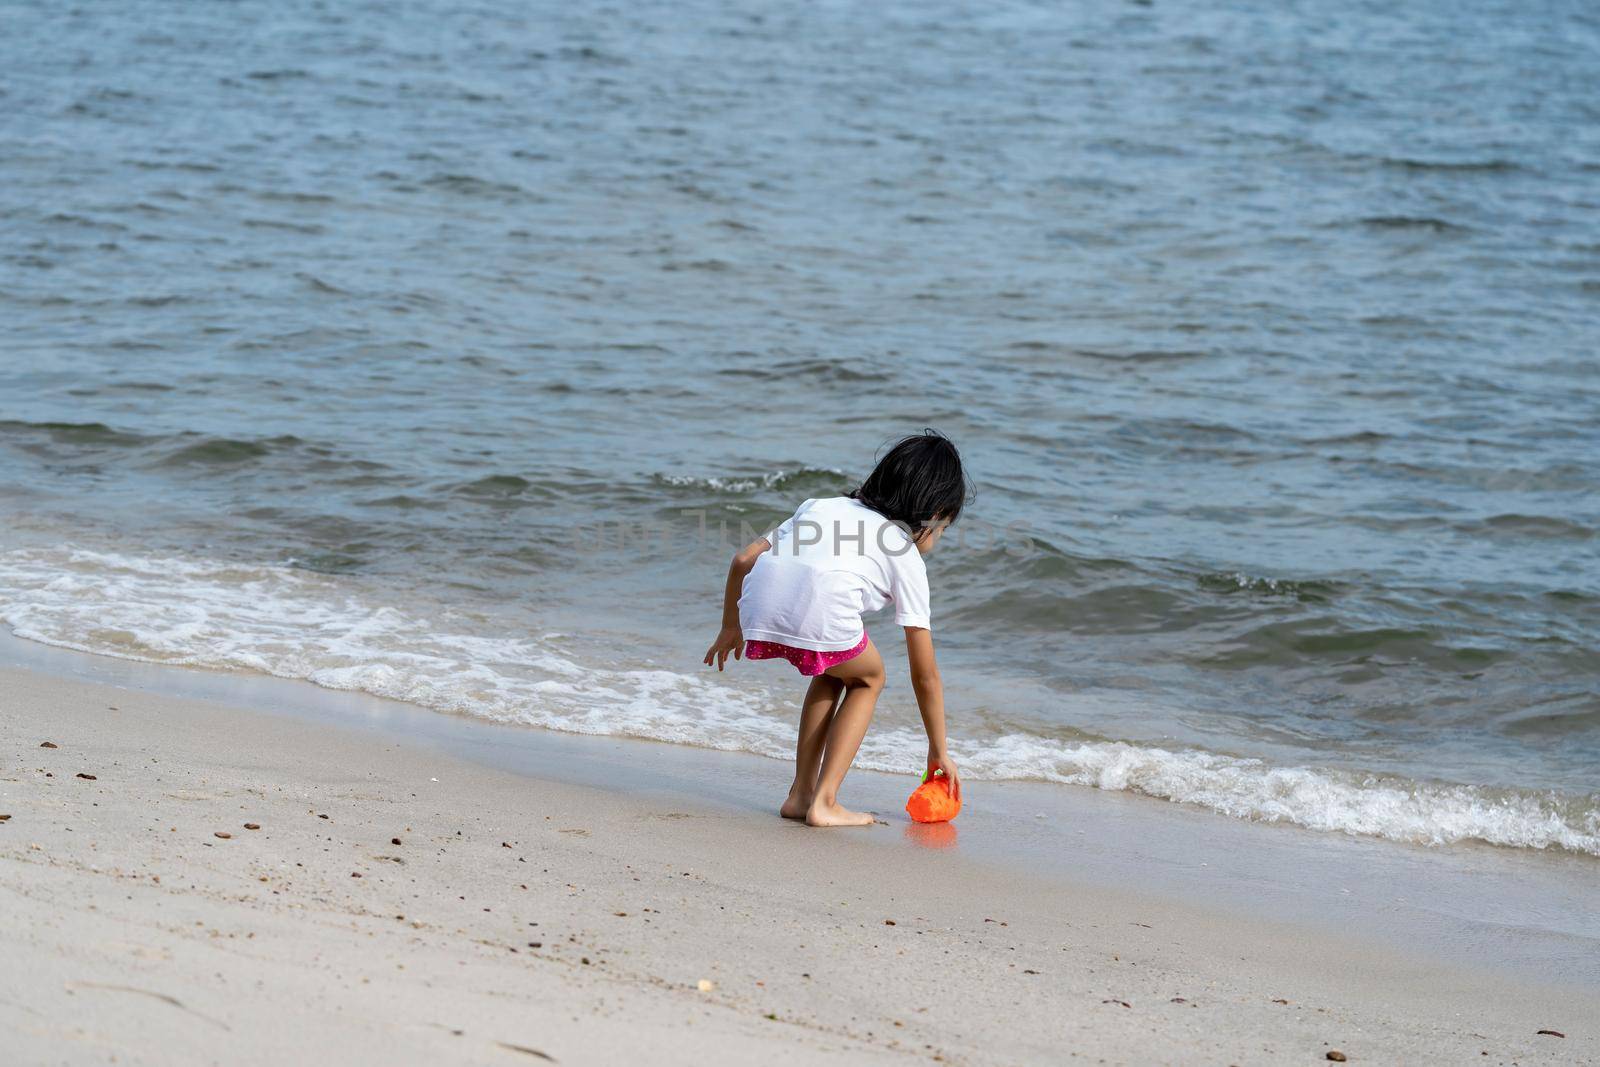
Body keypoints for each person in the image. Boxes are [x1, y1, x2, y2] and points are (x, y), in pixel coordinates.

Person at [704, 430, 969, 826]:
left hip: (761, 604)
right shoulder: (904, 552)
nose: (940, 537)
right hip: (818, 612)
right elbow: (925, 674)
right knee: (869, 678)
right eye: (944, 527)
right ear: (933, 514)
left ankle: (800, 795)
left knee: (832, 671)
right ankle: (824, 803)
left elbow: (744, 559)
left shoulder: (820, 506)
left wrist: (730, 626)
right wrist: (938, 749)